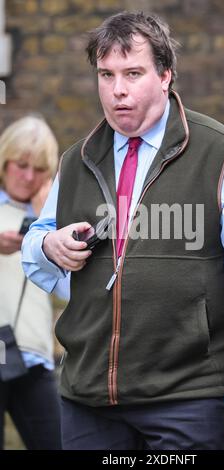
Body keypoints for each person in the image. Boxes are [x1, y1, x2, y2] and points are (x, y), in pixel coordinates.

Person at [21, 12, 224, 450]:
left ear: (165, 75)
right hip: (88, 399)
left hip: (189, 399)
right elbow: (37, 251)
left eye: (133, 73)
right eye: (106, 75)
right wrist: (48, 244)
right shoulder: (75, 160)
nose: (117, 89)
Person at [0, 115, 67, 450]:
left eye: (39, 169)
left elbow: (69, 288)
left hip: (33, 357)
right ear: (4, 160)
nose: (28, 177)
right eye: (20, 165)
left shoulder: (53, 219)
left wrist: (49, 225)